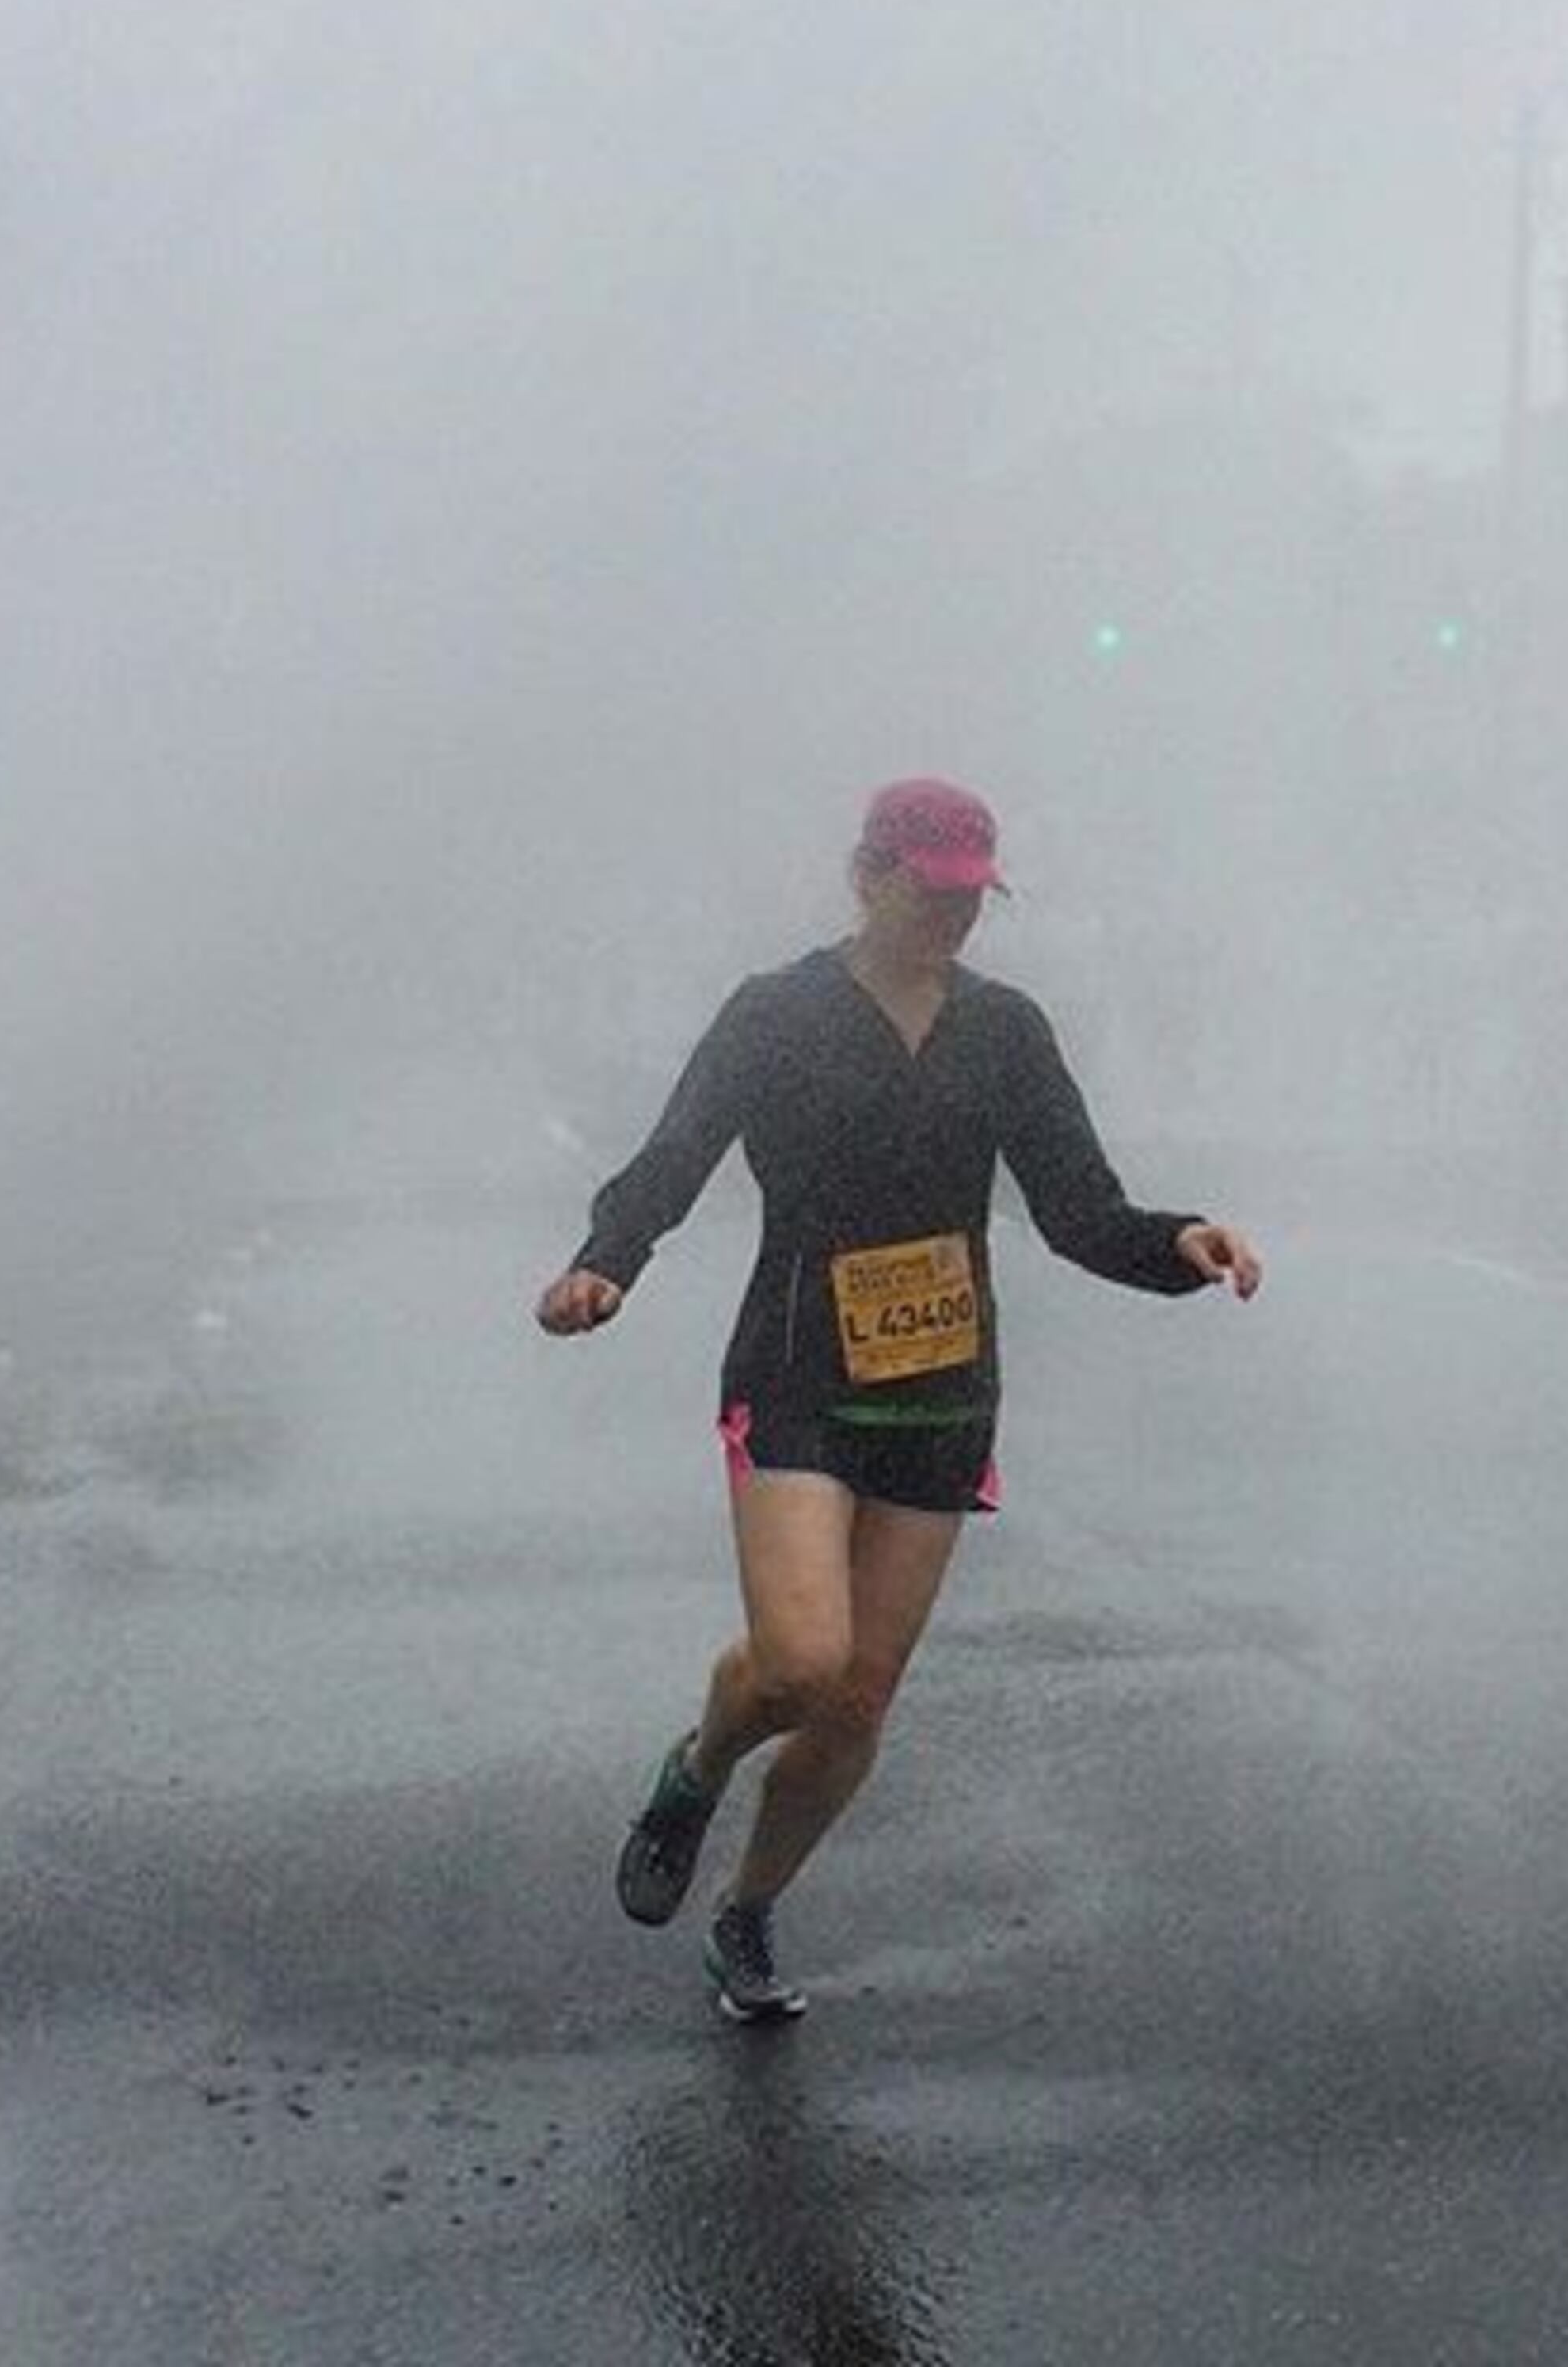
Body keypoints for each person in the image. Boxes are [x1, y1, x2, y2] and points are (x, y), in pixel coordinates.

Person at [534, 778, 1265, 2020]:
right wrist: (605, 1262)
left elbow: (1077, 1207)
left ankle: (749, 1912)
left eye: (974, 900)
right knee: (803, 1660)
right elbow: (676, 1155)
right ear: (866, 877)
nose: (956, 922)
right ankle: (698, 1766)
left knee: (859, 1697)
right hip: (797, 1366)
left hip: (942, 1387)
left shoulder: (1008, 1032)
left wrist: (1179, 1242)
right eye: (933, 895)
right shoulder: (775, 1016)